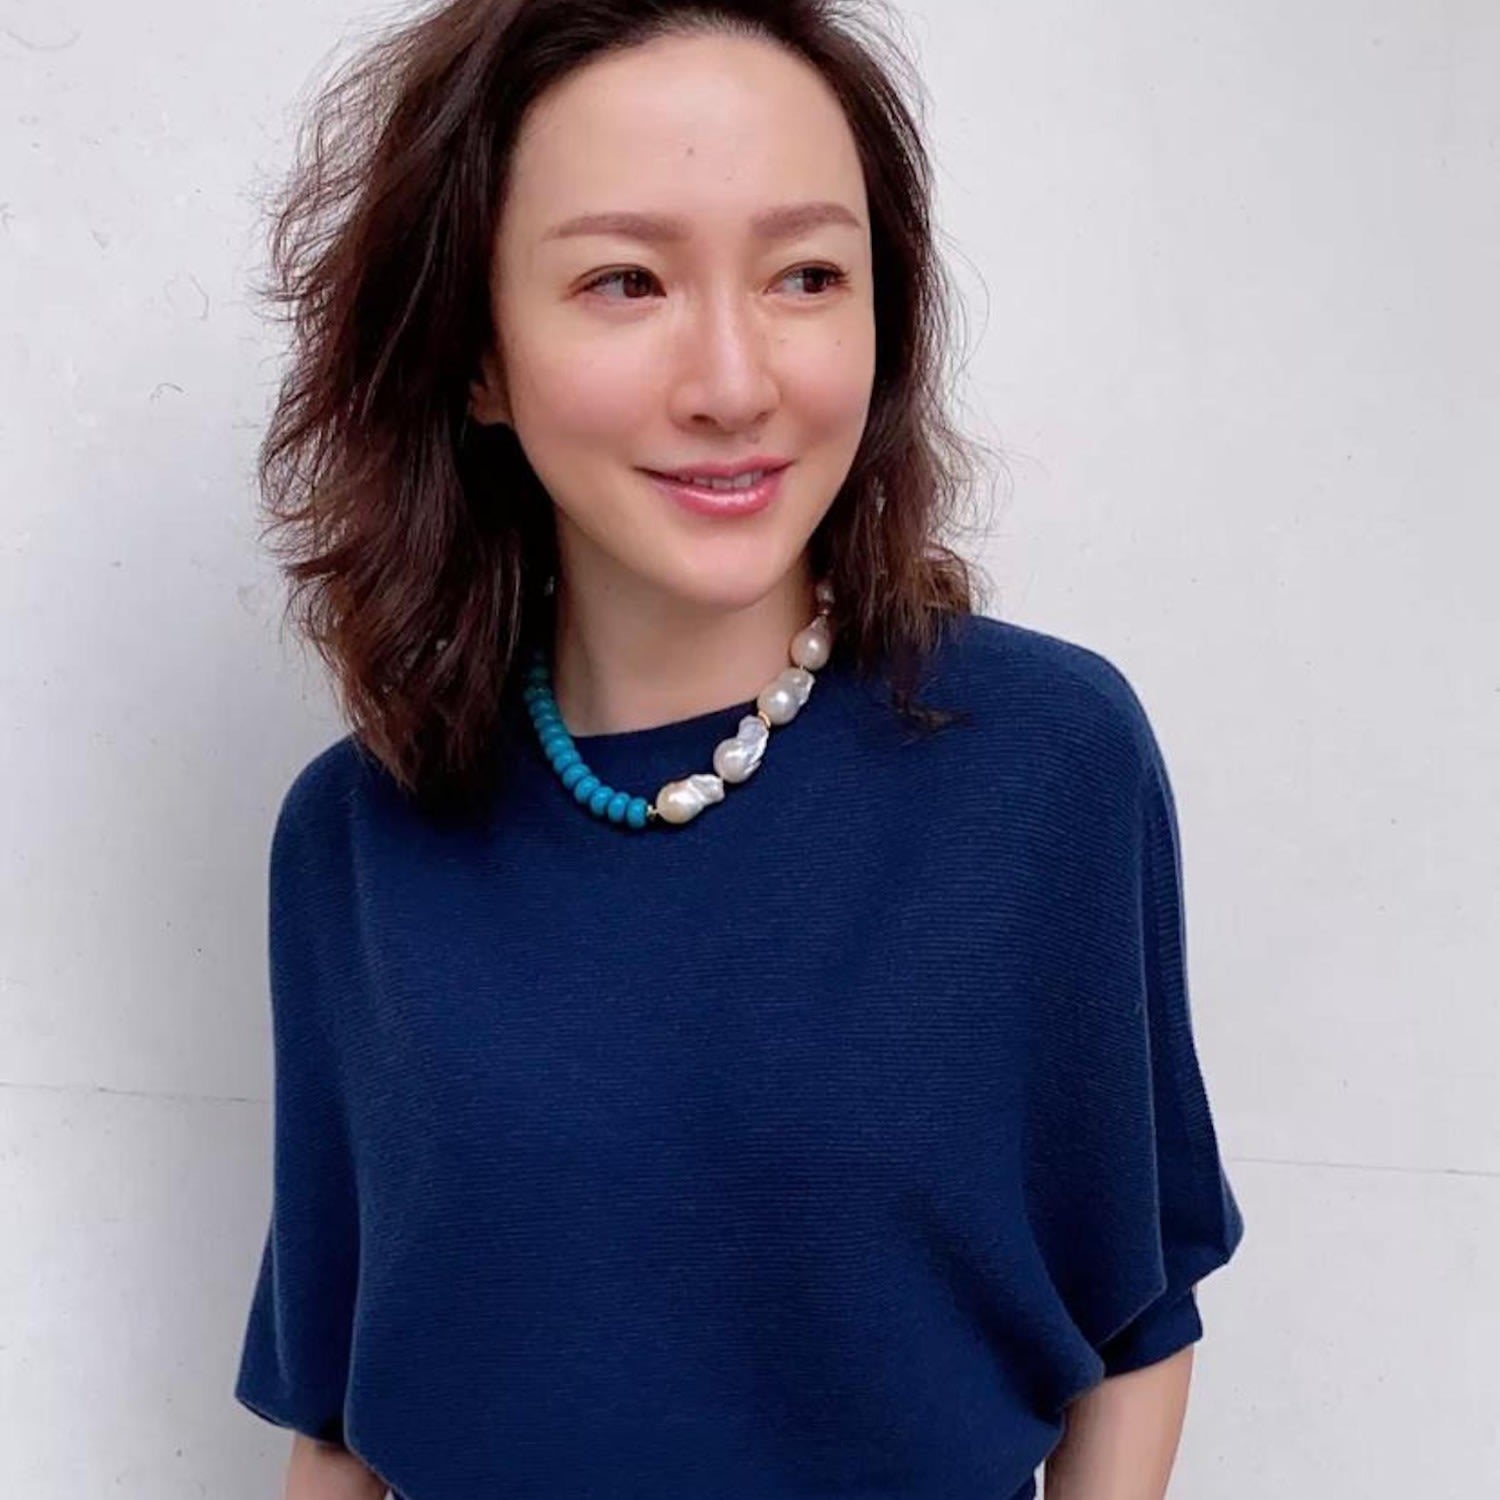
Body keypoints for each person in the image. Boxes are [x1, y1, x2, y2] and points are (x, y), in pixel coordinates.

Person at [232, 2, 1246, 1497]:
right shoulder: (353, 839)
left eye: (807, 275)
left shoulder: (1045, 765)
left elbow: (1135, 1320)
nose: (733, 379)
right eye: (626, 280)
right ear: (476, 354)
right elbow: (341, 1426)